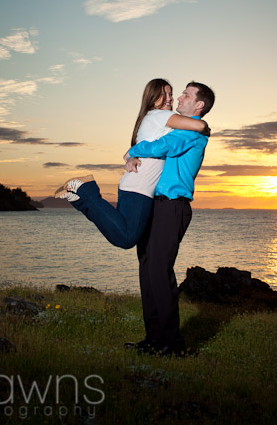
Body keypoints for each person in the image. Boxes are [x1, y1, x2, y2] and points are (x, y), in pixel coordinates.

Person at [54, 78, 209, 249]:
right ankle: (85, 190)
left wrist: (131, 155)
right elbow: (197, 125)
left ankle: (79, 199)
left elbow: (142, 146)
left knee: (119, 229)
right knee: (126, 238)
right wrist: (204, 126)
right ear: (151, 97)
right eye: (163, 94)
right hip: (140, 186)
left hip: (135, 183)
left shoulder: (151, 117)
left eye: (170, 94)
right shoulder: (162, 115)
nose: (169, 98)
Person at [124, 81, 215, 357]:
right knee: (147, 269)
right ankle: (153, 339)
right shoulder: (182, 126)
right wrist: (130, 155)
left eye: (187, 95)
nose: (179, 98)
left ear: (198, 105)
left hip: (173, 207)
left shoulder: (192, 132)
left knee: (160, 272)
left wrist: (132, 151)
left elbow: (162, 146)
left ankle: (172, 344)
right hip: (157, 205)